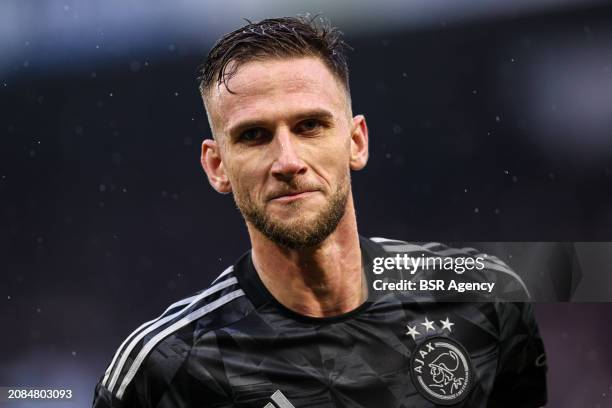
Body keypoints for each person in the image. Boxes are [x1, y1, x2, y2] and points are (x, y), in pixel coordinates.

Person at [93, 15, 547, 407]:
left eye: (310, 125)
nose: (288, 161)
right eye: (253, 135)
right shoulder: (167, 367)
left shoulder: (484, 299)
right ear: (217, 166)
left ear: (356, 141)